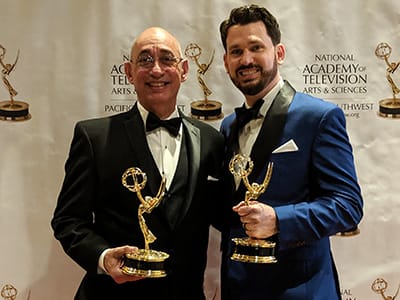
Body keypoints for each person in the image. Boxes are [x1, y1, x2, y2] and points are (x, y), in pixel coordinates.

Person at [51, 27, 224, 300]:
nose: (156, 70)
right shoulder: (94, 137)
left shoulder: (211, 140)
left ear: (184, 70)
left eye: (167, 59)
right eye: (145, 60)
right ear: (129, 72)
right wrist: (104, 257)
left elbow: (221, 213)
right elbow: (68, 220)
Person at [218, 5, 363, 299]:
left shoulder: (319, 117)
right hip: (239, 287)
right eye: (236, 52)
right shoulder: (228, 126)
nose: (246, 59)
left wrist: (279, 220)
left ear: (279, 53)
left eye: (256, 47)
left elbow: (348, 206)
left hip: (300, 290)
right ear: (225, 61)